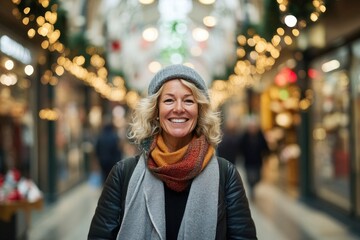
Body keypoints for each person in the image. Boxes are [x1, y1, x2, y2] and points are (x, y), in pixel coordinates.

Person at [88, 64, 257, 239]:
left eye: (189, 100)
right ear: (156, 111)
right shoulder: (123, 174)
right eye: (169, 100)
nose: (178, 108)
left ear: (199, 111)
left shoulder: (226, 175)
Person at [239, 115, 269, 199]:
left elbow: (265, 146)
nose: (252, 128)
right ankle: (251, 189)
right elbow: (240, 147)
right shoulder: (244, 136)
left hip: (258, 161)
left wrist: (266, 153)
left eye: (254, 126)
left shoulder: (260, 136)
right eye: (251, 127)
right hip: (248, 161)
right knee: (249, 177)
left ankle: (253, 186)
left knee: (258, 178)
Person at [94, 117, 122, 182]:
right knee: (112, 179)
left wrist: (98, 159)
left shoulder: (100, 137)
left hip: (103, 161)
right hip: (113, 162)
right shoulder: (114, 136)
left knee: (105, 177)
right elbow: (118, 150)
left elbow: (97, 150)